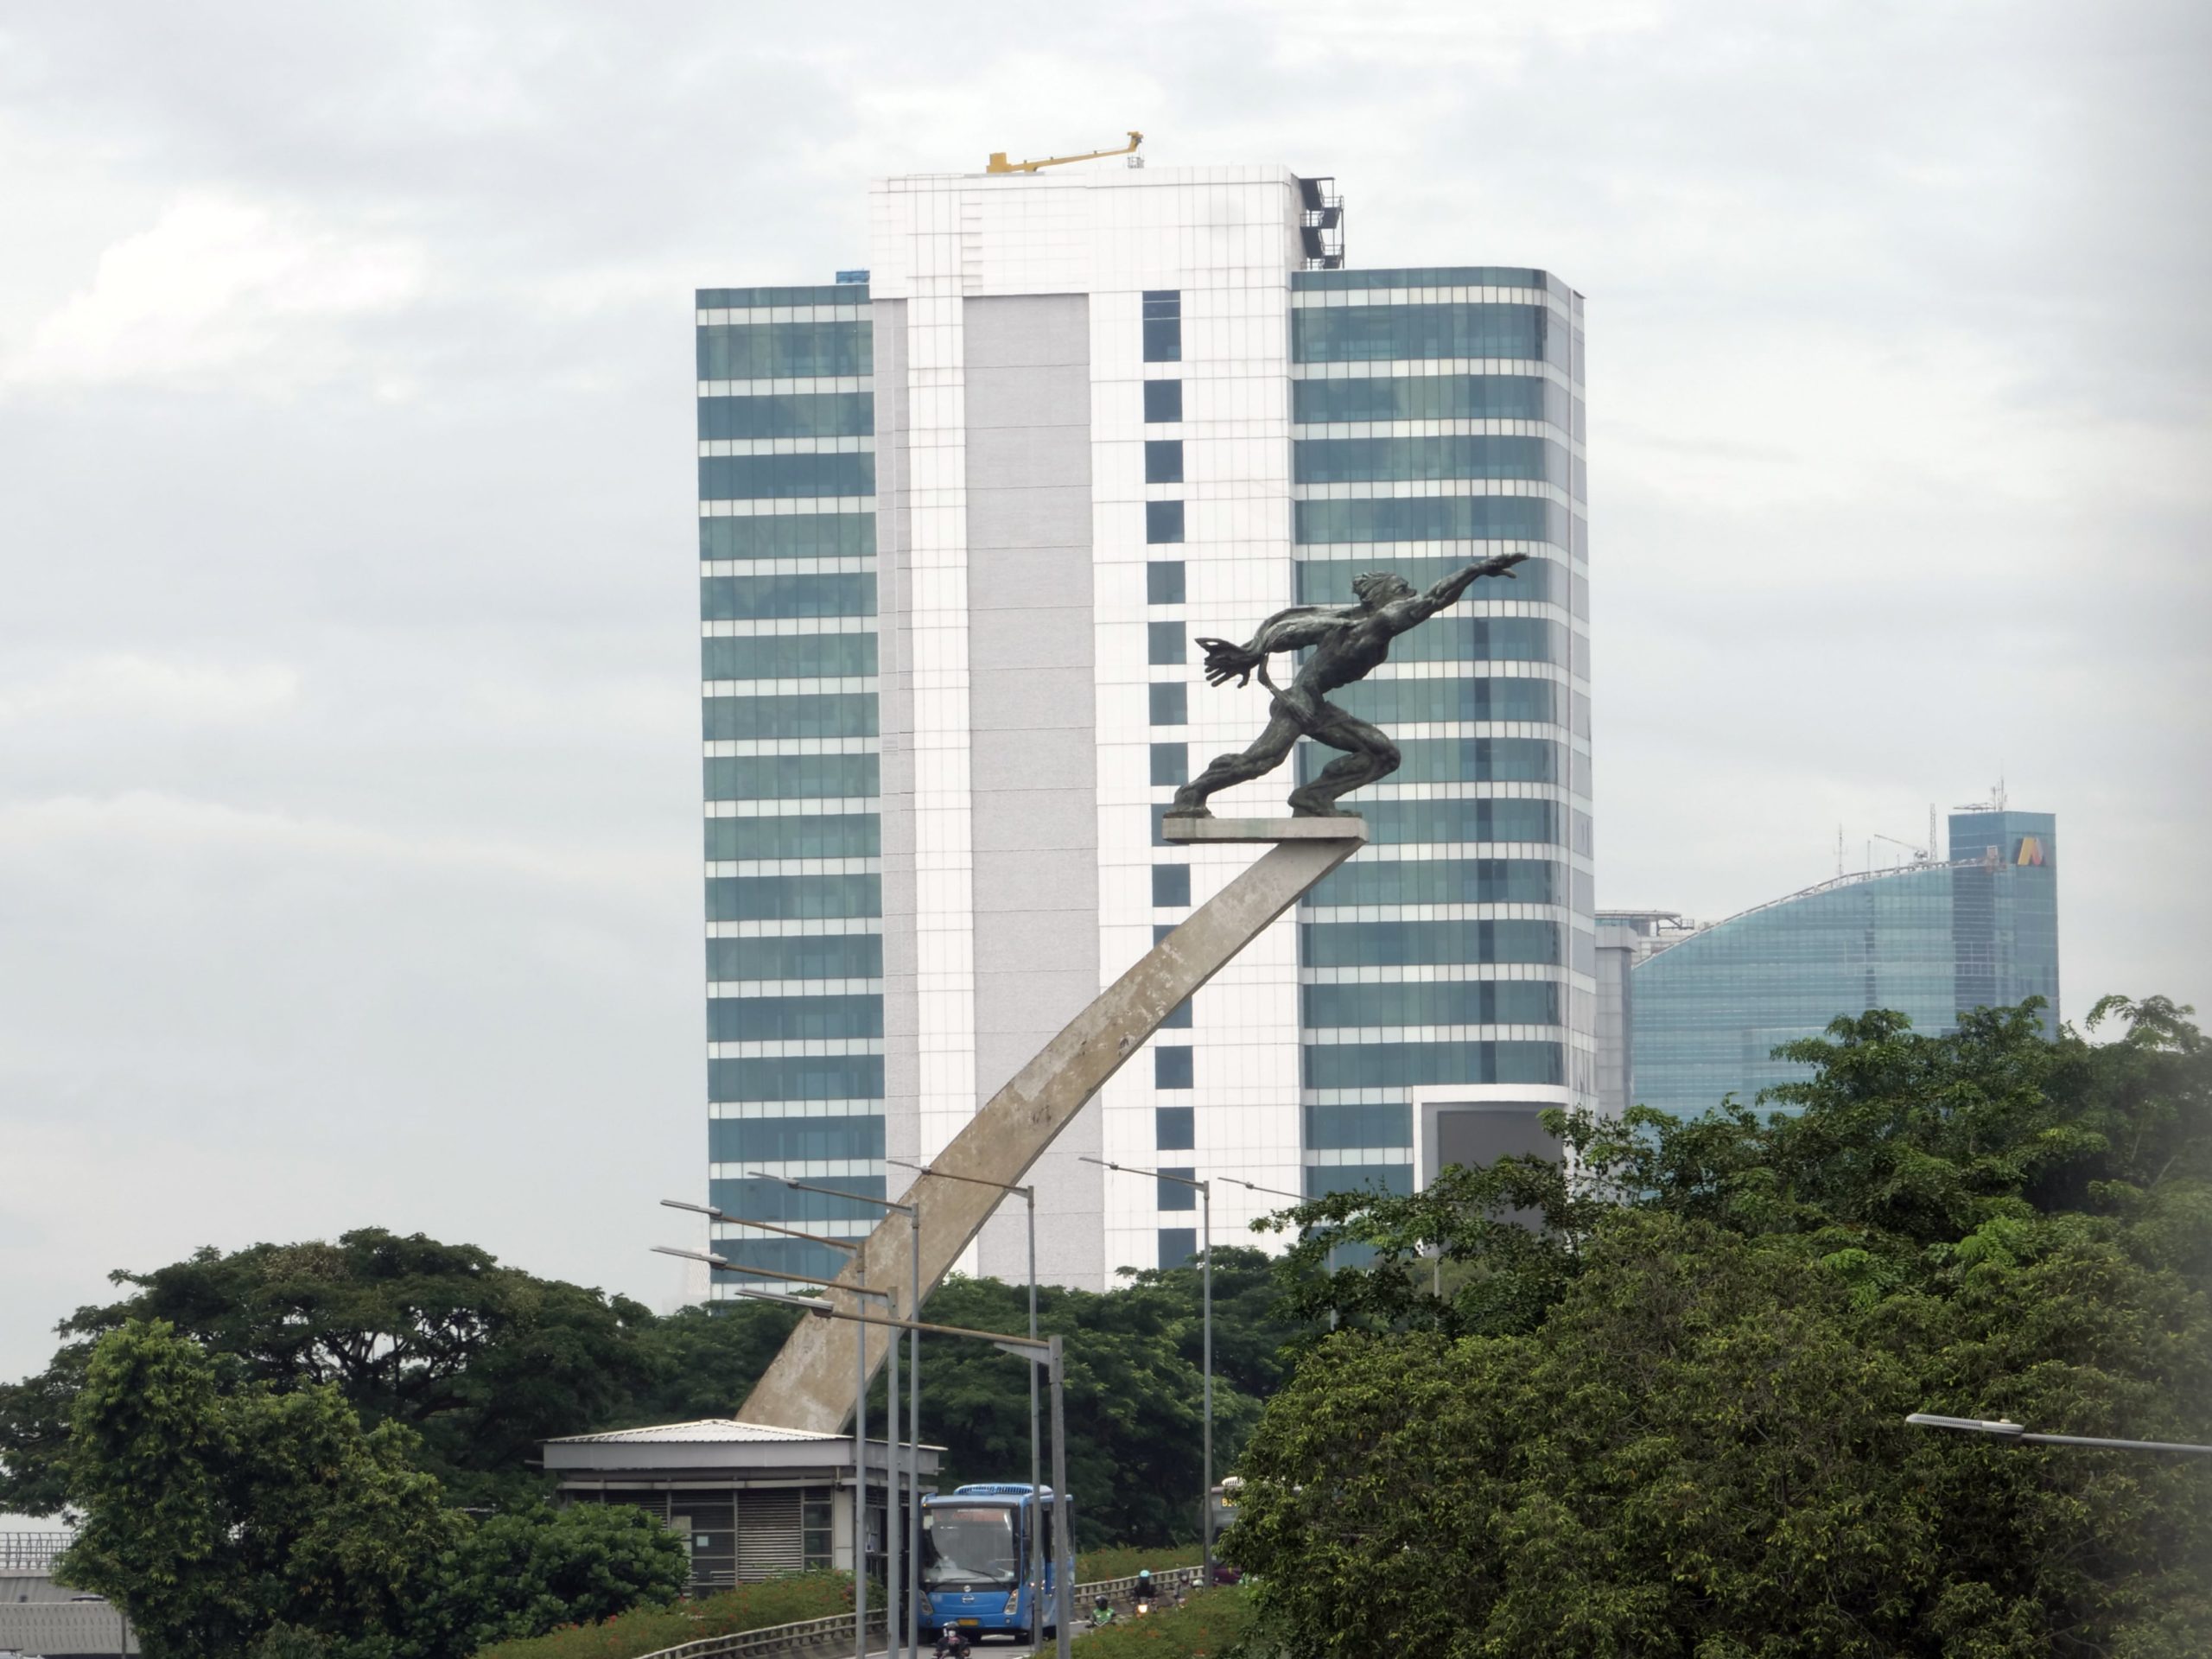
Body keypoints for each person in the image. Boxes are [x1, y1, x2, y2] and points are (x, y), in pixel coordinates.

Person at [1167, 553, 1529, 819]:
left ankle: (1313, 798)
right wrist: (1475, 570)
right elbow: (1434, 599)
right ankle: (1192, 794)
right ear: (1384, 597)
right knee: (1261, 761)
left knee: (1383, 755)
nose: (1411, 592)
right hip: (1300, 703)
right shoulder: (1381, 621)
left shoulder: (1360, 621)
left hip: (1316, 705)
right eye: (1403, 588)